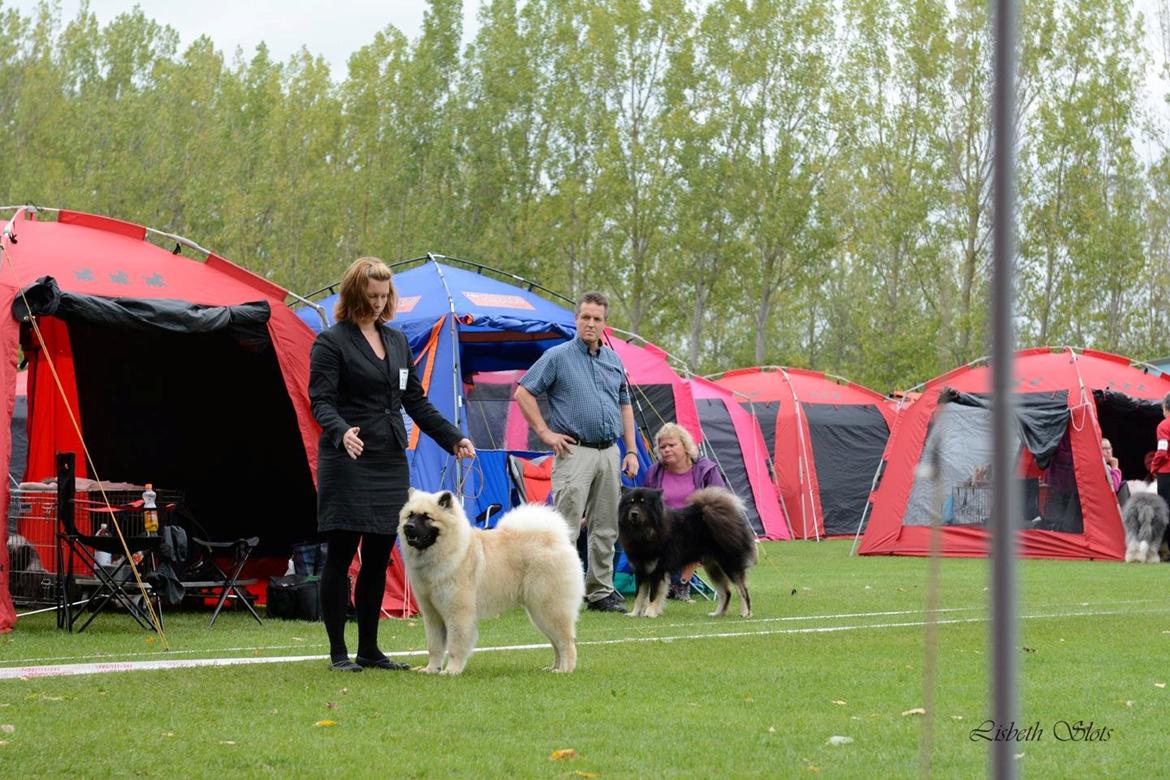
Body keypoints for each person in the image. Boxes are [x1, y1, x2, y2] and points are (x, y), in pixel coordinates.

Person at [309, 257, 475, 671]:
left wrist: (453, 437)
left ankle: (369, 649)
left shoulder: (398, 341)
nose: (380, 303)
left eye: (385, 296)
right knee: (342, 554)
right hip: (348, 455)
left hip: (387, 459)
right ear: (353, 295)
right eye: (372, 296)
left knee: (380, 555)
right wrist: (341, 430)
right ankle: (338, 652)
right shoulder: (331, 342)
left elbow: (414, 401)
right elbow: (320, 401)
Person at [514, 291, 639, 613]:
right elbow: (524, 391)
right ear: (576, 319)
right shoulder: (557, 357)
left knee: (606, 526)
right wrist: (544, 432)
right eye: (585, 317)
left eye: (597, 319)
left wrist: (632, 451)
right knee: (566, 525)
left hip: (610, 451)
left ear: (605, 324)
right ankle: (559, 592)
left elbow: (625, 406)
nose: (591, 324)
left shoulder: (614, 361)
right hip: (575, 452)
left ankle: (601, 592)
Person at [641, 422, 726, 601]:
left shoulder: (705, 469)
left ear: (685, 446)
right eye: (662, 446)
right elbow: (645, 505)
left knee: (699, 531)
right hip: (664, 527)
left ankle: (683, 583)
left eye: (672, 445)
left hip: (697, 524)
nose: (666, 450)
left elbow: (721, 500)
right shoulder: (653, 473)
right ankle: (658, 582)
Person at [1148, 393, 1170, 557]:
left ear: (1165, 408)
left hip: (1167, 474)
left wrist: (1153, 467)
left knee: (1166, 511)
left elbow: (1162, 451)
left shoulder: (1164, 425)